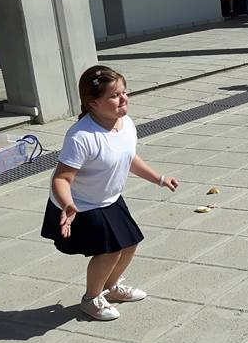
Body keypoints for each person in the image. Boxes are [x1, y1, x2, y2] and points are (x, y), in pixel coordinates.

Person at [40, 66, 178, 321]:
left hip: (109, 198)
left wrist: (159, 178)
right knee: (110, 251)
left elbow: (129, 157)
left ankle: (111, 287)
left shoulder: (126, 124)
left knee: (130, 243)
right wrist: (67, 204)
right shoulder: (81, 136)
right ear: (93, 102)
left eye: (124, 92)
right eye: (114, 96)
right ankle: (91, 299)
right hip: (80, 205)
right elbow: (61, 178)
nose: (124, 99)